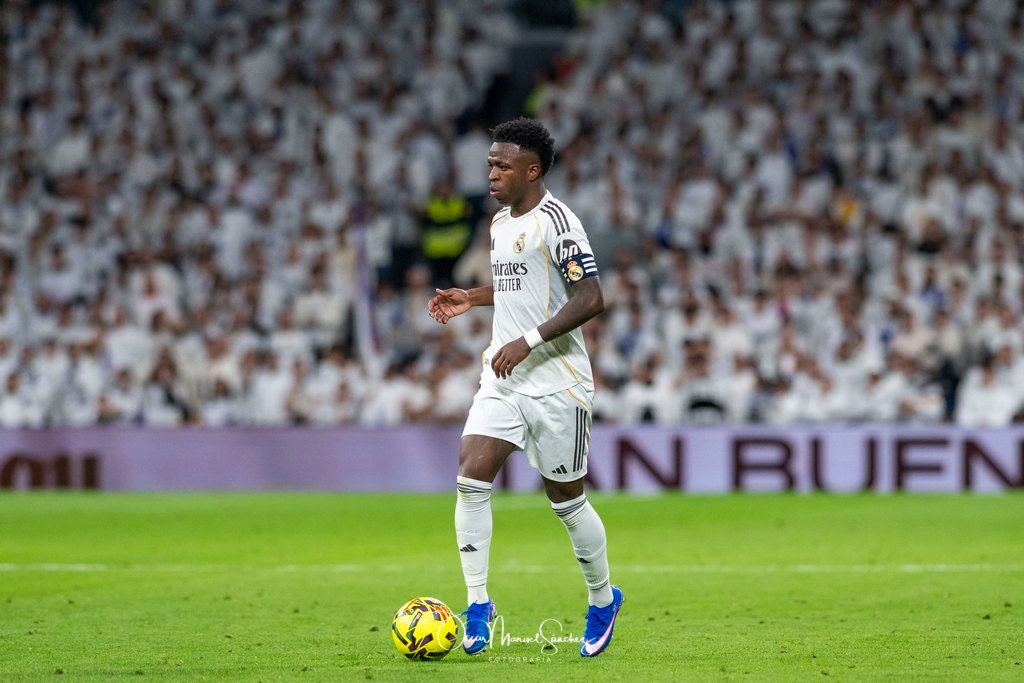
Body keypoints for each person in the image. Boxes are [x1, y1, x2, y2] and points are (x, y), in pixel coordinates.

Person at [427, 118, 623, 658]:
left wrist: (529, 340)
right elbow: (522, 287)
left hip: (558, 383)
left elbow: (591, 297)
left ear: (532, 171)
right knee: (471, 475)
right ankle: (477, 604)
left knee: (567, 500)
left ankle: (602, 599)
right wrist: (472, 297)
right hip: (504, 376)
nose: (491, 174)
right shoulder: (498, 223)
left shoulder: (558, 223)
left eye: (502, 166)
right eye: (490, 164)